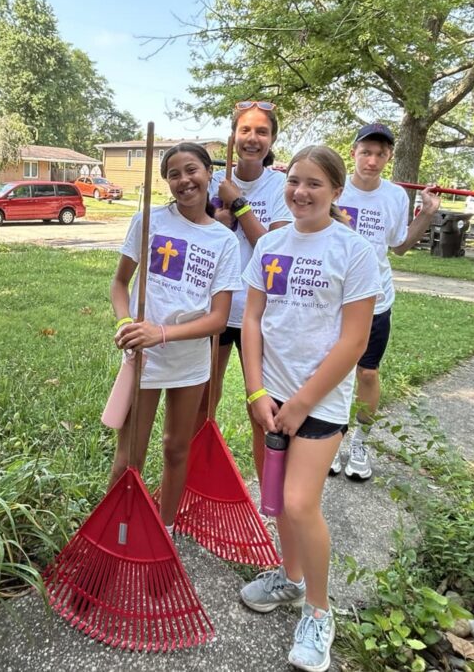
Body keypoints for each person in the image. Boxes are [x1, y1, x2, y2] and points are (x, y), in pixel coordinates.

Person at [239, 145, 381, 672]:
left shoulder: (353, 250)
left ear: (336, 191)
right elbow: (252, 319)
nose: (300, 191)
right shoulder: (271, 243)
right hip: (267, 397)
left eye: (314, 184)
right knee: (274, 497)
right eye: (294, 181)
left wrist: (300, 403)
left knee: (300, 503)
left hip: (318, 402)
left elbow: (354, 340)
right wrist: (257, 392)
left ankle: (319, 612)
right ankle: (290, 579)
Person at [110, 142, 243, 532]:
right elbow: (120, 283)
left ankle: (164, 532)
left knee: (175, 448)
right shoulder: (149, 222)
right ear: (166, 181)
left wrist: (162, 332)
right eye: (174, 174)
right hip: (143, 358)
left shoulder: (224, 241)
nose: (184, 181)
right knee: (128, 457)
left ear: (209, 174)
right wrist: (124, 325)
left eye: (192, 170)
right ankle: (118, 533)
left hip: (189, 362)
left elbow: (218, 320)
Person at [331, 123, 441, 479]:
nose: (373, 161)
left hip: (375, 299)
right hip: (332, 297)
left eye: (381, 154)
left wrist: (426, 213)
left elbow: (400, 246)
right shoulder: (334, 187)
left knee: (367, 372)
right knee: (329, 372)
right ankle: (330, 439)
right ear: (353, 153)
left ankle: (360, 442)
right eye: (366, 152)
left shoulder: (394, 196)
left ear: (389, 157)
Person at [198, 100, 293, 431]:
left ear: (272, 140)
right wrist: (217, 223)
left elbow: (272, 251)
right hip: (217, 304)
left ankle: (269, 481)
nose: (253, 138)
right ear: (234, 135)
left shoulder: (280, 187)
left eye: (262, 132)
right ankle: (194, 474)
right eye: (245, 130)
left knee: (262, 405)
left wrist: (238, 203)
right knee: (205, 397)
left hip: (260, 309)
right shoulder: (211, 182)